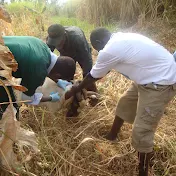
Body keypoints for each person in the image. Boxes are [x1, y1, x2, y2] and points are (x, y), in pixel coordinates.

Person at [64, 28, 176, 176]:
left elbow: (92, 76)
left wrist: (73, 90)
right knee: (124, 103)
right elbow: (105, 68)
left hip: (160, 82)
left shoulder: (109, 50)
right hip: (148, 76)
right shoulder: (120, 37)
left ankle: (143, 172)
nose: (97, 52)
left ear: (98, 42)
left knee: (142, 130)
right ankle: (112, 136)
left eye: (96, 49)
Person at [0, 36, 76, 120]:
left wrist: (57, 81)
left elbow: (45, 66)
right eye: (59, 78)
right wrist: (50, 98)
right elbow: (26, 98)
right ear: (57, 75)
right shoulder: (38, 71)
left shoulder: (43, 47)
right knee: (9, 110)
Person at [46, 24, 97, 92]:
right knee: (65, 74)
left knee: (88, 76)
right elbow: (48, 57)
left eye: (58, 42)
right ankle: (68, 91)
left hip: (81, 53)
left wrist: (86, 79)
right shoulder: (50, 40)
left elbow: (87, 59)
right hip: (66, 53)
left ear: (64, 35)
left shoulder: (77, 38)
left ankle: (94, 95)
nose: (57, 45)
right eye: (55, 43)